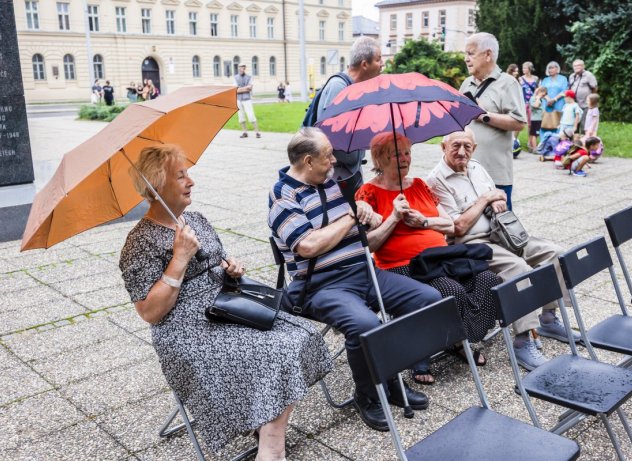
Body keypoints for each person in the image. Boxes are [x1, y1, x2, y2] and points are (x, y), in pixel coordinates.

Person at [119, 144, 332, 461]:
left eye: (188, 174)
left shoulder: (195, 220)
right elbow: (150, 312)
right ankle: (272, 447)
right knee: (277, 352)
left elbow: (217, 261)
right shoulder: (139, 243)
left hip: (225, 304)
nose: (191, 182)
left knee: (302, 335)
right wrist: (179, 259)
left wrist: (230, 268)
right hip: (185, 327)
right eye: (181, 176)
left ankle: (265, 422)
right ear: (156, 186)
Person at [268, 127, 442, 432]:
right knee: (366, 326)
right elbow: (307, 246)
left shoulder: (331, 183)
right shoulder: (283, 195)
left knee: (428, 301)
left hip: (363, 271)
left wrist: (368, 214)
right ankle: (368, 395)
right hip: (321, 285)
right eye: (327, 156)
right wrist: (351, 216)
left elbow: (360, 233)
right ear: (307, 161)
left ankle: (392, 377)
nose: (334, 161)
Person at [427, 129, 582, 371]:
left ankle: (549, 318)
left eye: (467, 146)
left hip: (502, 232)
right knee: (519, 269)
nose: (461, 152)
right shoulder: (436, 180)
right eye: (455, 145)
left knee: (557, 253)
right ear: (443, 147)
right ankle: (522, 342)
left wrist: (497, 199)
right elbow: (457, 227)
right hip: (472, 243)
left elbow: (496, 197)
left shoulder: (477, 167)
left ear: (474, 149)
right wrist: (486, 199)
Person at [355, 132, 501, 376]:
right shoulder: (367, 194)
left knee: (488, 280)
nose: (404, 159)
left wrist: (423, 222)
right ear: (379, 159)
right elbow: (368, 246)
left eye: (407, 153)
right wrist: (394, 218)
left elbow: (449, 226)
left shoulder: (420, 186)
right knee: (450, 291)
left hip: (441, 259)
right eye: (396, 154)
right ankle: (449, 342)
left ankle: (458, 338)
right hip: (402, 265)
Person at [459, 32, 526, 211]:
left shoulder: (508, 83)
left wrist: (484, 115)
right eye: (465, 54)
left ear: (487, 55)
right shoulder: (466, 84)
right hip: (465, 171)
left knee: (501, 227)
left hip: (495, 175)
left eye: (470, 53)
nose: (466, 59)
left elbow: (519, 122)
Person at [316, 36, 384, 185]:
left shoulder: (358, 89)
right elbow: (327, 134)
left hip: (351, 170)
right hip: (337, 175)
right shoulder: (338, 88)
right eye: (379, 59)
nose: (382, 64)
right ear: (365, 64)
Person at [539, 61, 569, 142]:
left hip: (559, 103)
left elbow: (564, 91)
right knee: (545, 122)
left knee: (558, 123)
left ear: (557, 69)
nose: (550, 69)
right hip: (546, 104)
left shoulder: (563, 79)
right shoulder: (545, 79)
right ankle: (544, 143)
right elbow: (541, 90)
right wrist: (548, 99)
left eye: (552, 67)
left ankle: (557, 143)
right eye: (549, 68)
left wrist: (554, 99)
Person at [568, 59, 598, 134]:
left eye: (579, 65)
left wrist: (591, 100)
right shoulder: (572, 76)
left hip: (586, 104)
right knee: (575, 124)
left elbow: (595, 88)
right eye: (575, 66)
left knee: (584, 124)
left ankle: (586, 140)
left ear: (583, 66)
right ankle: (576, 141)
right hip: (574, 105)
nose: (577, 67)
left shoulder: (589, 75)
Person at [235, 64, 261, 138]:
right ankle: (244, 132)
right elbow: (235, 90)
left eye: (242, 68)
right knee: (241, 116)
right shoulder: (235, 78)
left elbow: (250, 88)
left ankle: (257, 132)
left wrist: (240, 89)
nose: (241, 69)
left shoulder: (249, 77)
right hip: (239, 100)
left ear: (244, 68)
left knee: (251, 115)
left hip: (247, 99)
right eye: (240, 68)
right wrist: (245, 88)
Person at [520, 62, 539, 150]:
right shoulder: (520, 79)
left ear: (530, 69)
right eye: (523, 68)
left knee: (531, 124)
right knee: (521, 122)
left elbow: (537, 90)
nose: (523, 70)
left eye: (525, 68)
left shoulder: (535, 78)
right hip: (523, 103)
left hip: (532, 104)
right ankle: (514, 141)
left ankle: (530, 142)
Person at [529, 86, 547, 152]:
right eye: (543, 94)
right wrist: (538, 98)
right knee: (535, 134)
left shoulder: (540, 99)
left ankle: (531, 147)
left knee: (533, 133)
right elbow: (536, 106)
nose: (543, 96)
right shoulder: (534, 98)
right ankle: (534, 148)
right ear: (539, 92)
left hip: (539, 119)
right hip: (536, 119)